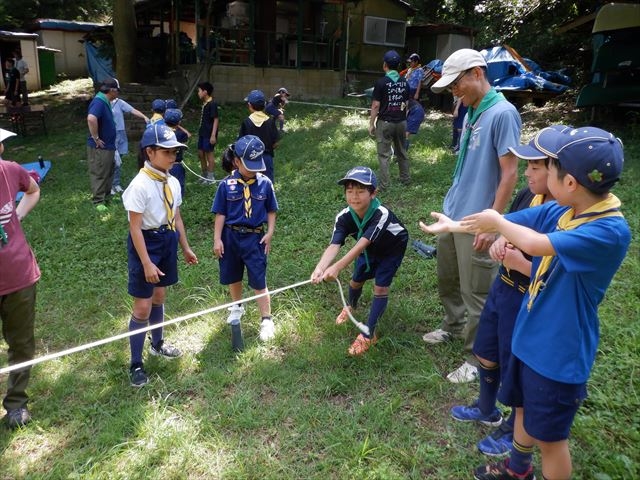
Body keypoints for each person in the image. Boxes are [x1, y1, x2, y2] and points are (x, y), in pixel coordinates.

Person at [461, 126, 630, 480]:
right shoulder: (565, 210)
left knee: (551, 441)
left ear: (569, 183)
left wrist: (495, 222)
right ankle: (518, 470)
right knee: (522, 408)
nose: (540, 170)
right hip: (531, 335)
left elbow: (536, 245)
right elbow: (514, 223)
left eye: (548, 166)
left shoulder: (608, 230)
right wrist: (456, 226)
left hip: (558, 354)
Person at [420, 127, 563, 458]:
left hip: (529, 299)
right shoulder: (530, 196)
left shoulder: (565, 216)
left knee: (516, 367)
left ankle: (513, 428)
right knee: (486, 351)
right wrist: (478, 233)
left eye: (534, 168)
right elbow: (501, 223)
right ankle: (487, 408)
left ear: (558, 172)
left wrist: (517, 260)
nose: (525, 173)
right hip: (503, 288)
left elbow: (557, 273)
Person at [422, 48, 521, 383]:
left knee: (477, 292)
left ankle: (476, 359)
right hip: (454, 214)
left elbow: (509, 174)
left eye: (456, 83)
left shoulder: (503, 113)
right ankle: (452, 325)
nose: (454, 91)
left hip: (479, 219)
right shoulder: (471, 111)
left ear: (477, 73)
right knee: (448, 278)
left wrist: (493, 222)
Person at [122, 123, 198, 387]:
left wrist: (185, 246)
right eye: (167, 152)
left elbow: (176, 216)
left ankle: (157, 343)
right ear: (149, 152)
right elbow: (134, 227)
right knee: (142, 305)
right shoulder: (139, 185)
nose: (173, 157)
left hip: (167, 239)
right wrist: (146, 263)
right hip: (146, 243)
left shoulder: (173, 182)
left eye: (175, 152)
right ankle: (135, 363)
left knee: (160, 295)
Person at [311, 166, 408, 356]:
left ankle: (368, 334)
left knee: (380, 287)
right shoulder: (344, 217)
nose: (354, 196)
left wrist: (337, 267)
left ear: (373, 193)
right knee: (356, 280)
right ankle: (351, 307)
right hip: (369, 250)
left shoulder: (381, 214)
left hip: (391, 249)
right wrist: (320, 268)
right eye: (350, 191)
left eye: (361, 191)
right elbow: (334, 245)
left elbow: (361, 245)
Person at [212, 136, 278, 348]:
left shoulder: (264, 183)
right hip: (230, 237)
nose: (253, 170)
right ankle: (236, 306)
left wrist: (270, 232)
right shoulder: (226, 185)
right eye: (249, 166)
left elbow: (271, 210)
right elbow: (221, 213)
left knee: (259, 278)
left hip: (255, 237)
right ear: (237, 161)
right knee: (233, 274)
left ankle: (266, 319)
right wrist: (217, 239)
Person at [0, 128, 41, 428]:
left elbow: (33, 189)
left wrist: (18, 214)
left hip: (19, 275)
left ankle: (16, 403)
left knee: (21, 342)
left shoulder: (10, 171)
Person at [369, 50, 410, 190]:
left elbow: (375, 105)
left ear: (384, 65)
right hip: (401, 122)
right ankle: (405, 178)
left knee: (384, 154)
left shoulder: (381, 82)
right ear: (398, 65)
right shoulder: (405, 82)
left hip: (385, 123)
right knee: (402, 151)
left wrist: (371, 124)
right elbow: (407, 103)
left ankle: (384, 185)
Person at [87, 77, 120, 212]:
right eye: (118, 91)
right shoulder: (99, 102)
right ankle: (98, 201)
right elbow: (91, 118)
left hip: (108, 146)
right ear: (112, 90)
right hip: (100, 147)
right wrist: (96, 137)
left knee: (108, 171)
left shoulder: (104, 101)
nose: (118, 94)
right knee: (100, 171)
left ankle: (106, 196)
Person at [239, 89, 280, 183]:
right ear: (265, 105)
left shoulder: (246, 122)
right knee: (267, 184)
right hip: (267, 158)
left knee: (251, 184)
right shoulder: (270, 121)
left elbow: (241, 144)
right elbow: (276, 143)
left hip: (250, 160)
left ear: (250, 105)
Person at [111, 97, 150, 194]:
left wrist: (144, 117)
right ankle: (109, 185)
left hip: (120, 134)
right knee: (111, 160)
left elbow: (132, 110)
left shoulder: (119, 102)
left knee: (119, 160)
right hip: (110, 134)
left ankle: (116, 183)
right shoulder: (103, 103)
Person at [164, 108, 191, 199]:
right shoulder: (181, 134)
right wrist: (178, 126)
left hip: (163, 164)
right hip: (176, 165)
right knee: (178, 185)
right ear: (179, 122)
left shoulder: (162, 133)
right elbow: (188, 135)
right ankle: (177, 200)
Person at [196, 81, 219, 184]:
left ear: (205, 92)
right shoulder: (205, 104)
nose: (198, 93)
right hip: (202, 133)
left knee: (209, 154)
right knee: (200, 154)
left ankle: (210, 177)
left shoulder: (212, 104)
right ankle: (204, 174)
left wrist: (213, 135)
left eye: (199, 91)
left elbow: (215, 119)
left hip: (209, 134)